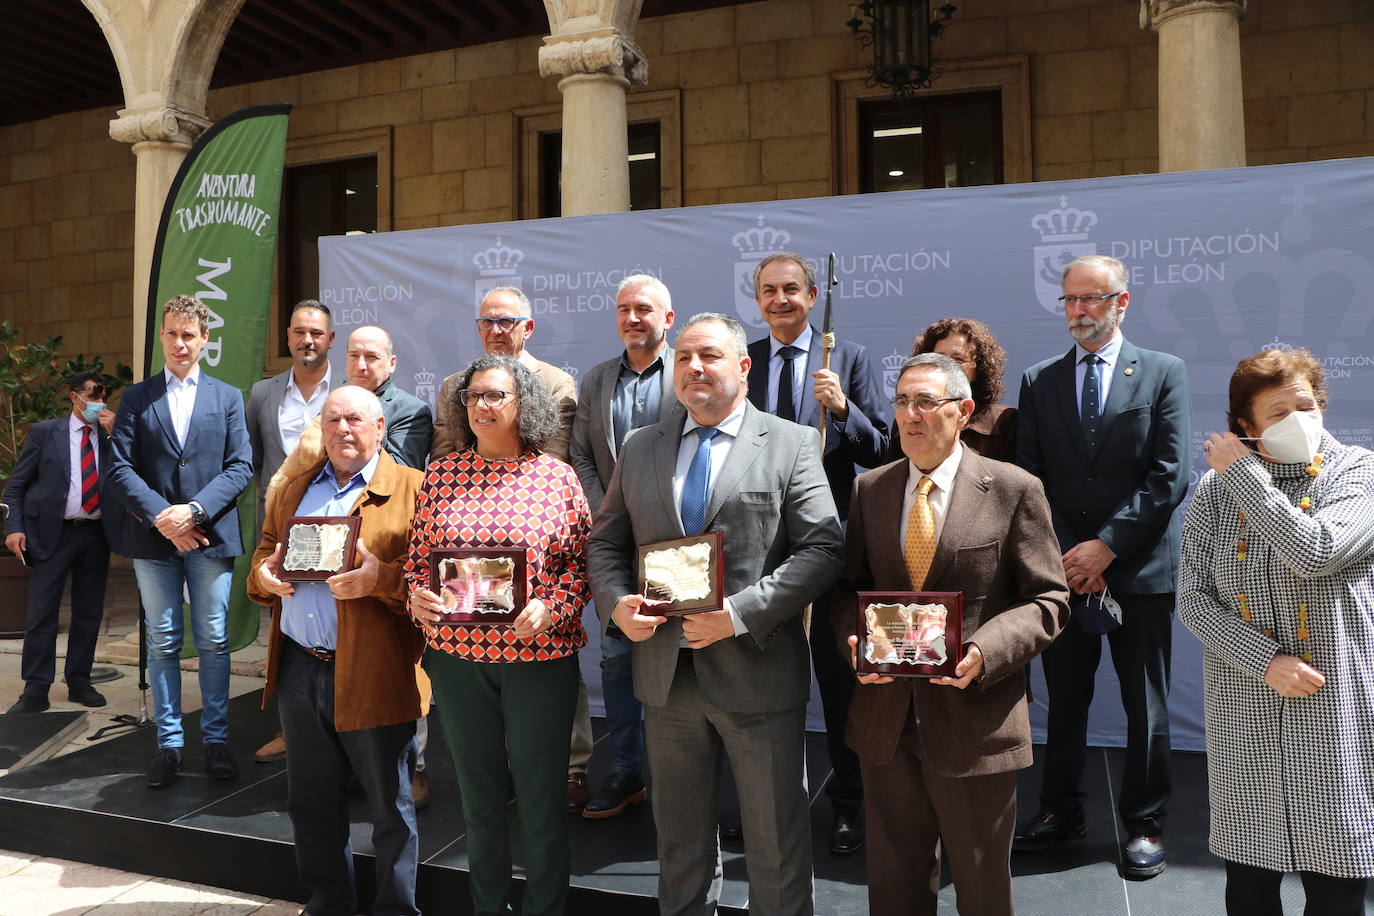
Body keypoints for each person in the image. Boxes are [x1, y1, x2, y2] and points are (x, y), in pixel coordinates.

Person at [588, 312, 844, 916]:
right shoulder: (641, 445)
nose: (695, 368)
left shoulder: (791, 441)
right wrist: (616, 603)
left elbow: (825, 547)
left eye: (710, 356)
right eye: (684, 358)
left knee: (775, 847)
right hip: (665, 678)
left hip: (756, 674)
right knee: (678, 849)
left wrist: (739, 614)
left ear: (744, 367)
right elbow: (604, 543)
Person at [836, 353, 1069, 916]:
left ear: (963, 411)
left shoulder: (1014, 488)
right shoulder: (872, 489)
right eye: (900, 402)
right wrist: (854, 638)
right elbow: (847, 589)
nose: (909, 416)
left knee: (982, 886)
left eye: (925, 402)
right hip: (886, 719)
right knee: (894, 887)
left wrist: (985, 651)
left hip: (975, 721)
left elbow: (1049, 599)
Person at [1013, 255, 1191, 879]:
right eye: (1069, 301)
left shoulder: (1164, 373)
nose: (1079, 312)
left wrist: (1107, 547)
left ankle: (1143, 823)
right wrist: (1070, 554)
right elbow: (1030, 480)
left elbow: (1170, 475)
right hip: (1063, 573)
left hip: (1137, 572)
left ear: (1122, 302)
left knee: (1147, 706)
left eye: (1091, 300)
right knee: (1065, 702)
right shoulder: (1039, 380)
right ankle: (1060, 810)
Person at [1180, 347, 1374, 915]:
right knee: (1249, 884)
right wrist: (1263, 660)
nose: (1299, 421)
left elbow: (1315, 552)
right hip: (1245, 704)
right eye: (1278, 412)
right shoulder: (1215, 493)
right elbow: (1194, 600)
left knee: (1336, 883)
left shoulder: (1358, 471)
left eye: (1307, 406)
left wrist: (1241, 473)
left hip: (1330, 703)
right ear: (1245, 425)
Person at [407, 354, 592, 916]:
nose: (482, 406)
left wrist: (550, 607)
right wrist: (419, 598)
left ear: (524, 405)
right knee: (478, 802)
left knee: (540, 802)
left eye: (495, 396)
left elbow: (582, 568)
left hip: (538, 661)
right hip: (459, 663)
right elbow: (417, 562)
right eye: (473, 397)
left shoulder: (555, 477)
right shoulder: (441, 475)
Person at [248, 385, 427, 916]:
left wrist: (380, 579)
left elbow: (432, 585)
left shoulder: (416, 490)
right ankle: (329, 902)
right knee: (311, 801)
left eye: (355, 419)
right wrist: (264, 575)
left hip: (375, 672)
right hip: (301, 667)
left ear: (380, 428)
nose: (343, 430)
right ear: (320, 429)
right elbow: (264, 553)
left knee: (389, 806)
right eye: (332, 420)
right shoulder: (293, 488)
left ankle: (396, 910)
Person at [746, 251, 889, 854]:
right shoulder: (743, 360)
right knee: (757, 689)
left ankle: (849, 805)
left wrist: (843, 409)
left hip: (826, 548)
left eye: (791, 291)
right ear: (757, 300)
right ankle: (760, 808)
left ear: (811, 296)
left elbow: (882, 451)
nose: (780, 300)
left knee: (838, 686)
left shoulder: (847, 360)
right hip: (757, 551)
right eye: (768, 291)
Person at [431, 285, 593, 812]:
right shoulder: (457, 385)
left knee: (545, 699)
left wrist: (505, 517)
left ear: (528, 327)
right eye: (487, 321)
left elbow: (552, 458)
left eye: (507, 320)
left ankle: (567, 767)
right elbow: (447, 450)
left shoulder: (556, 384)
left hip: (530, 549)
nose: (496, 329)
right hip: (467, 555)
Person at [108, 295, 254, 788]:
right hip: (153, 540)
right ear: (162, 337)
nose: (179, 343)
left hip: (209, 536)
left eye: (189, 334)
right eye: (171, 333)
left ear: (205, 340)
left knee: (213, 639)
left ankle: (215, 741)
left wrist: (192, 512)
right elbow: (120, 467)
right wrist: (161, 517)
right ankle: (169, 745)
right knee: (164, 640)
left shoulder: (228, 397)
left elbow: (241, 467)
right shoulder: (136, 397)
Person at [568, 273, 679, 820]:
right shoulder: (595, 381)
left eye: (644, 309)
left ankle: (680, 778)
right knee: (616, 661)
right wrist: (610, 508)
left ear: (667, 318)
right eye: (623, 309)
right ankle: (626, 770)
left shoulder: (689, 373)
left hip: (678, 544)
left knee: (681, 659)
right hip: (613, 544)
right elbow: (582, 456)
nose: (632, 318)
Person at [245, 299, 335, 765]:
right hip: (281, 531)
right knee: (285, 629)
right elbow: (254, 460)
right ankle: (291, 729)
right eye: (300, 332)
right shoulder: (263, 393)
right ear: (287, 337)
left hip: (336, 527)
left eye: (317, 333)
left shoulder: (346, 391)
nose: (307, 341)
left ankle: (340, 730)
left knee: (333, 628)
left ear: (330, 340)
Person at [3, 371, 122, 713]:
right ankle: (36, 688)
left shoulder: (110, 434)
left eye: (104, 394)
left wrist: (115, 435)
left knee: (88, 612)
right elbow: (16, 485)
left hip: (95, 535)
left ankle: (79, 680)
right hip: (51, 534)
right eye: (93, 393)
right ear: (74, 396)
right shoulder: (45, 433)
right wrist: (14, 527)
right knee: (42, 614)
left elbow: (127, 473)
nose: (99, 401)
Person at [886, 317, 1016, 462]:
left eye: (957, 359)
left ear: (979, 366)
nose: (946, 365)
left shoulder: (1003, 421)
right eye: (938, 358)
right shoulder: (908, 415)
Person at [344, 325, 433, 470]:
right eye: (354, 355)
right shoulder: (332, 406)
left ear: (391, 363)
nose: (360, 365)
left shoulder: (410, 411)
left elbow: (400, 470)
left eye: (371, 357)